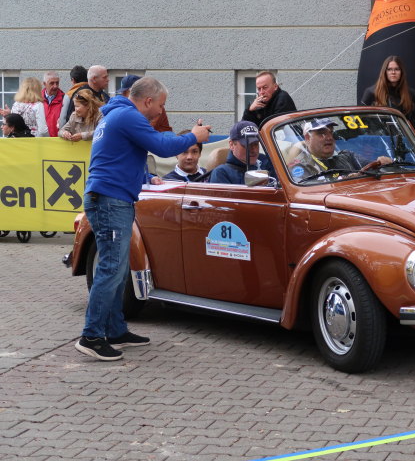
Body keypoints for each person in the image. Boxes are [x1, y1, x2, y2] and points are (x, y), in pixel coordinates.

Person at [75, 76, 211, 362]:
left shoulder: (115, 115)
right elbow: (162, 146)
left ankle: (114, 330)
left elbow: (117, 158)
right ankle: (91, 335)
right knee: (112, 268)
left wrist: (146, 178)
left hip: (108, 197)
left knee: (116, 267)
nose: (162, 112)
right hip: (112, 200)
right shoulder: (127, 115)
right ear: (147, 101)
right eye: (161, 105)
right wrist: (194, 137)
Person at [288, 118, 392, 181]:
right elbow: (310, 194)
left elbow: (373, 168)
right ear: (307, 138)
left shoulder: (347, 156)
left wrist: (384, 164)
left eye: (331, 132)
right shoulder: (300, 167)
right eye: (322, 133)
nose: (329, 137)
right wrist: (347, 180)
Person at [360, 55, 415, 133]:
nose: (393, 72)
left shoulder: (411, 94)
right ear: (384, 71)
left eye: (397, 69)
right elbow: (361, 124)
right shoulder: (371, 93)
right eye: (389, 69)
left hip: (406, 141)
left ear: (401, 72)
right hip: (380, 141)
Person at [208, 120, 275, 184]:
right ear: (231, 145)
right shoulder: (222, 173)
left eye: (256, 144)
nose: (254, 150)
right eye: (247, 145)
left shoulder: (268, 163)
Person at [40, 71, 65, 137]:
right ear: (44, 84)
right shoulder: (37, 99)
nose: (55, 86)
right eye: (52, 83)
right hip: (40, 141)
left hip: (58, 141)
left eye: (57, 83)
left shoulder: (65, 99)